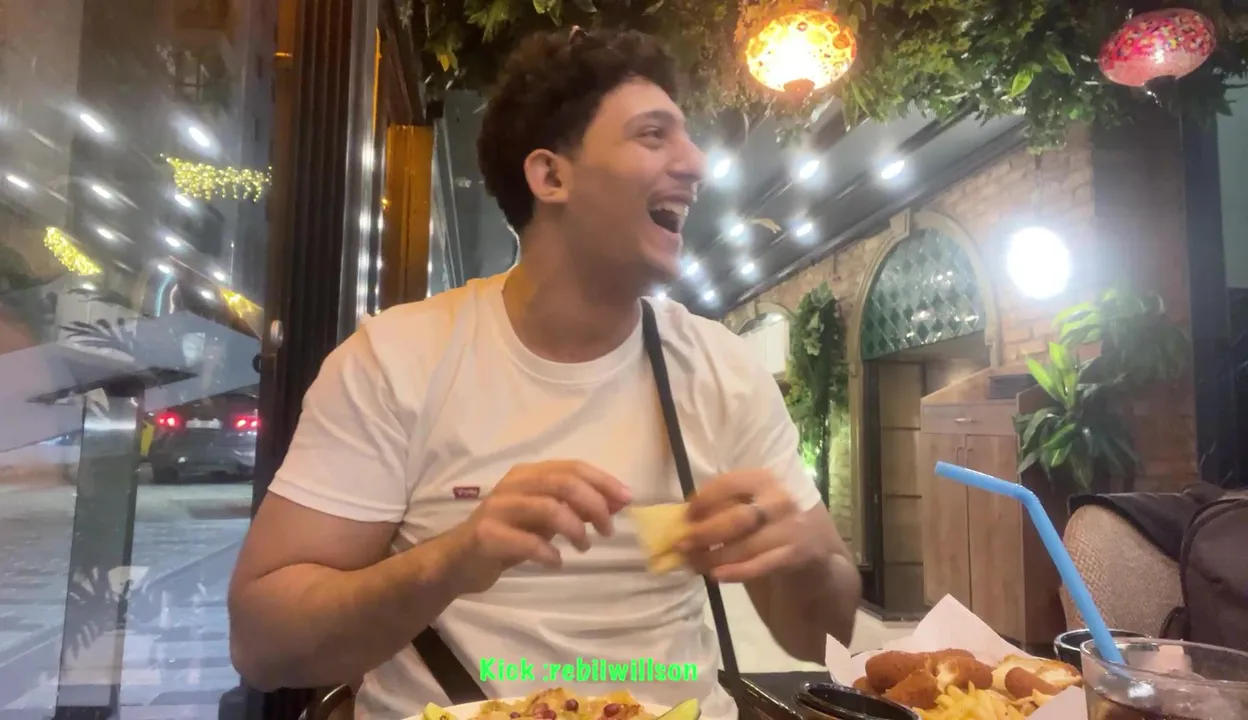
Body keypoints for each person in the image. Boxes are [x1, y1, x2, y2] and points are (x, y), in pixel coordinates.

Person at [228, 27, 861, 720]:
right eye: (654, 136)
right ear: (551, 176)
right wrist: (452, 559)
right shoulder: (399, 360)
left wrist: (802, 560)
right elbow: (263, 645)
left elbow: (822, 637)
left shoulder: (721, 368)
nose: (696, 163)